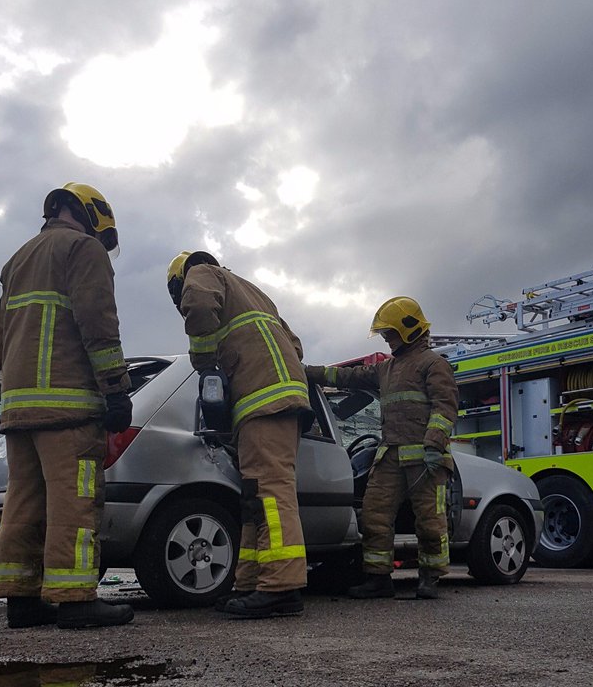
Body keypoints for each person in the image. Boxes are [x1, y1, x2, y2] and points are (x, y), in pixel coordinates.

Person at [0, 182, 134, 629]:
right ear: (93, 216)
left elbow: (1, 340)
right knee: (76, 499)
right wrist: (115, 388)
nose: (102, 247)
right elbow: (98, 323)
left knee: (24, 502)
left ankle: (21, 599)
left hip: (18, 407)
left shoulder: (17, 260)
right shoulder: (81, 250)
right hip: (68, 404)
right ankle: (75, 599)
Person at [167, 251, 310, 619]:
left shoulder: (200, 272)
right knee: (254, 499)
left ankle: (281, 587)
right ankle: (250, 581)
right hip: (278, 401)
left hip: (263, 402)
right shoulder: (254, 293)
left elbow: (198, 305)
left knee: (270, 492)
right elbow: (295, 346)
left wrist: (205, 364)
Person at [305, 296, 458, 600]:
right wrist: (309, 371)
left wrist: (433, 444)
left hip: (424, 458)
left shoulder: (434, 364)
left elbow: (445, 408)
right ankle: (378, 579)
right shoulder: (386, 369)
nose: (388, 340)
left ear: (410, 329)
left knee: (430, 521)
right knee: (375, 517)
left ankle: (430, 578)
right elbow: (348, 376)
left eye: (391, 333)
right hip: (390, 456)